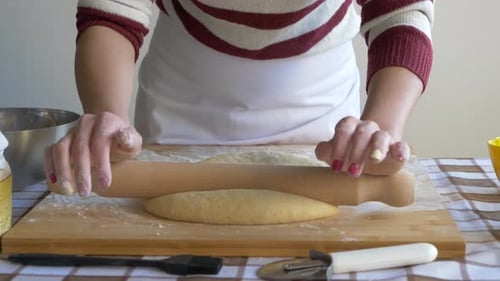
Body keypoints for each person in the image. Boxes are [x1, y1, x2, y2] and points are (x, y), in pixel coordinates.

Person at [44, 0, 434, 197]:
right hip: (180, 118)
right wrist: (108, 115)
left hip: (323, 129)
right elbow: (114, 13)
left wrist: (379, 131)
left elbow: (399, 17)